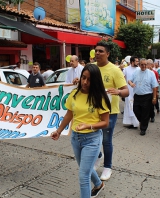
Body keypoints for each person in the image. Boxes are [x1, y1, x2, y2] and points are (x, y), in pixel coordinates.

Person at [51, 64, 111, 198]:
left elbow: (105, 122)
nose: (85, 82)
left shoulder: (100, 97)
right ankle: (98, 184)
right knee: (86, 168)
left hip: (92, 139)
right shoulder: (74, 93)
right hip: (75, 139)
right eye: (83, 78)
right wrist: (59, 131)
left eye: (89, 80)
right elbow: (69, 114)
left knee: (83, 176)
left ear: (95, 81)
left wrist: (88, 126)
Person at [94, 42, 129, 181]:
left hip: (110, 111)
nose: (97, 53)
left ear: (107, 54)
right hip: (92, 110)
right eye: (96, 51)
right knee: (93, 138)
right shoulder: (91, 68)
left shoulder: (115, 70)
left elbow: (126, 91)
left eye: (101, 51)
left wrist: (118, 91)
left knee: (106, 140)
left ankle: (107, 167)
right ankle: (98, 157)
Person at [128, 58, 159, 136]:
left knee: (145, 113)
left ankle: (143, 128)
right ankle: (143, 121)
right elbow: (129, 80)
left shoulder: (151, 73)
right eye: (142, 64)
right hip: (137, 96)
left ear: (147, 65)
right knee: (136, 110)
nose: (144, 66)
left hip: (147, 96)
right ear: (139, 65)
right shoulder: (136, 72)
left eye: (145, 64)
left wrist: (154, 97)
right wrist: (131, 83)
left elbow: (155, 86)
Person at [122, 56, 139, 129]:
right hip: (128, 91)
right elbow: (123, 80)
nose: (138, 62)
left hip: (137, 91)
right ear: (132, 62)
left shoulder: (139, 69)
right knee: (129, 106)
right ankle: (130, 122)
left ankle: (136, 122)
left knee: (136, 106)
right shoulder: (126, 69)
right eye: (136, 61)